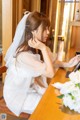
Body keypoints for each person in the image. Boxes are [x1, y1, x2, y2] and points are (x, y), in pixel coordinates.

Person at [3, 11, 80, 116]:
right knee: (52, 106)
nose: (48, 32)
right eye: (45, 29)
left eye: (48, 28)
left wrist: (67, 64)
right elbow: (50, 73)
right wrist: (43, 49)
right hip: (18, 94)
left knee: (58, 97)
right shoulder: (24, 55)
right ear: (33, 31)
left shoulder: (36, 46)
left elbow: (50, 63)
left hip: (30, 88)